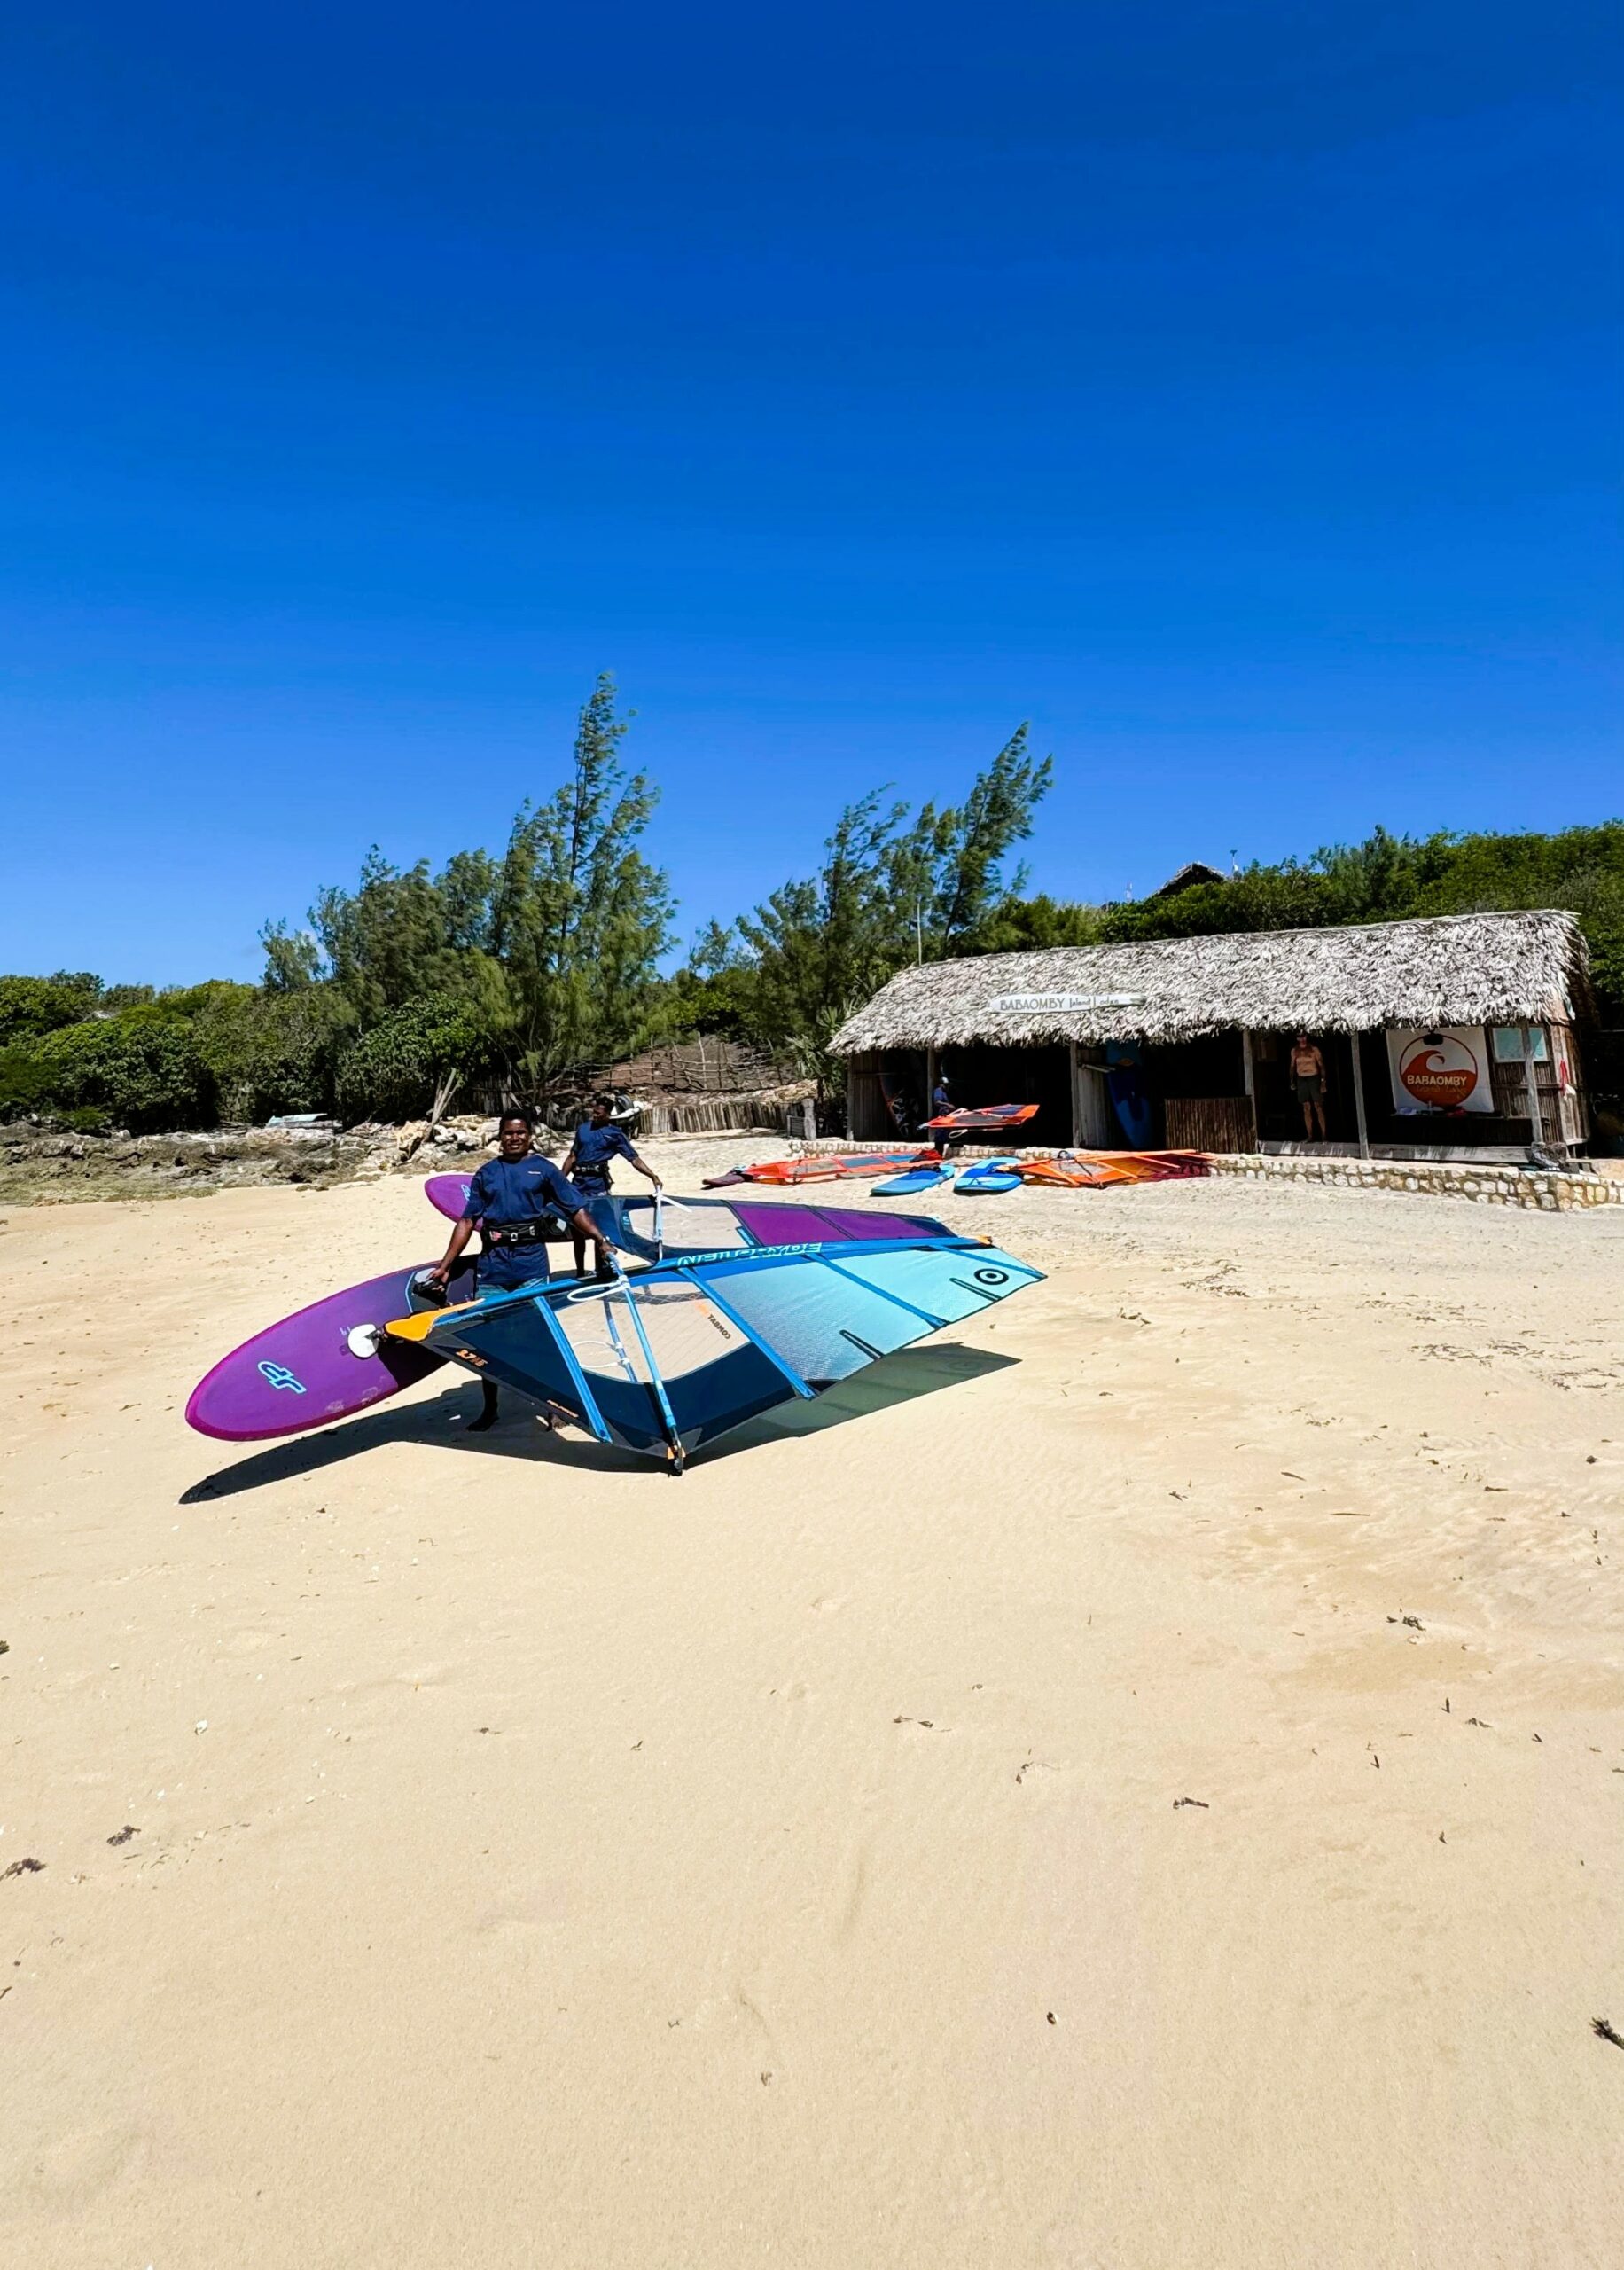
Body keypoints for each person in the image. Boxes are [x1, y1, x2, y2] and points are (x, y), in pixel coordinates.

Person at [426, 1108, 613, 1431]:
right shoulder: (486, 1173)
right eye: (508, 1133)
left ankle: (555, 1406)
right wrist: (446, 1265)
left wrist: (600, 1239)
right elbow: (467, 1221)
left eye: (520, 1133)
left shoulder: (544, 1170)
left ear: (530, 1136)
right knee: (489, 1341)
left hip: (531, 1266)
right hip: (493, 1269)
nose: (514, 1138)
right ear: (500, 1137)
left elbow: (575, 1208)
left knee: (541, 1336)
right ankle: (490, 1408)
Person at [562, 1091, 662, 1276]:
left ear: (608, 1115)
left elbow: (633, 1159)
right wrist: (560, 1179)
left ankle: (601, 1269)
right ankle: (580, 1271)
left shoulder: (615, 1134)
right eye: (593, 1112)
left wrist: (652, 1176)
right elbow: (572, 1156)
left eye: (598, 1114)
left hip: (598, 1186)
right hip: (578, 1184)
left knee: (598, 1229)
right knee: (577, 1231)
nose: (594, 1116)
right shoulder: (583, 1129)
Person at [1289, 1031, 1328, 1139]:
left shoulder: (1314, 1050)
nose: (1302, 1039)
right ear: (1297, 1038)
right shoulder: (1294, 1051)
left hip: (1313, 1077)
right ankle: (1310, 1135)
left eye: (1303, 1036)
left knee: (1318, 1106)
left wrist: (1323, 1082)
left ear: (1306, 1037)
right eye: (1299, 1037)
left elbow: (1321, 1065)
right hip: (1301, 1078)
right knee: (1306, 1107)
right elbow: (1292, 1066)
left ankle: (1324, 1135)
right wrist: (1292, 1080)